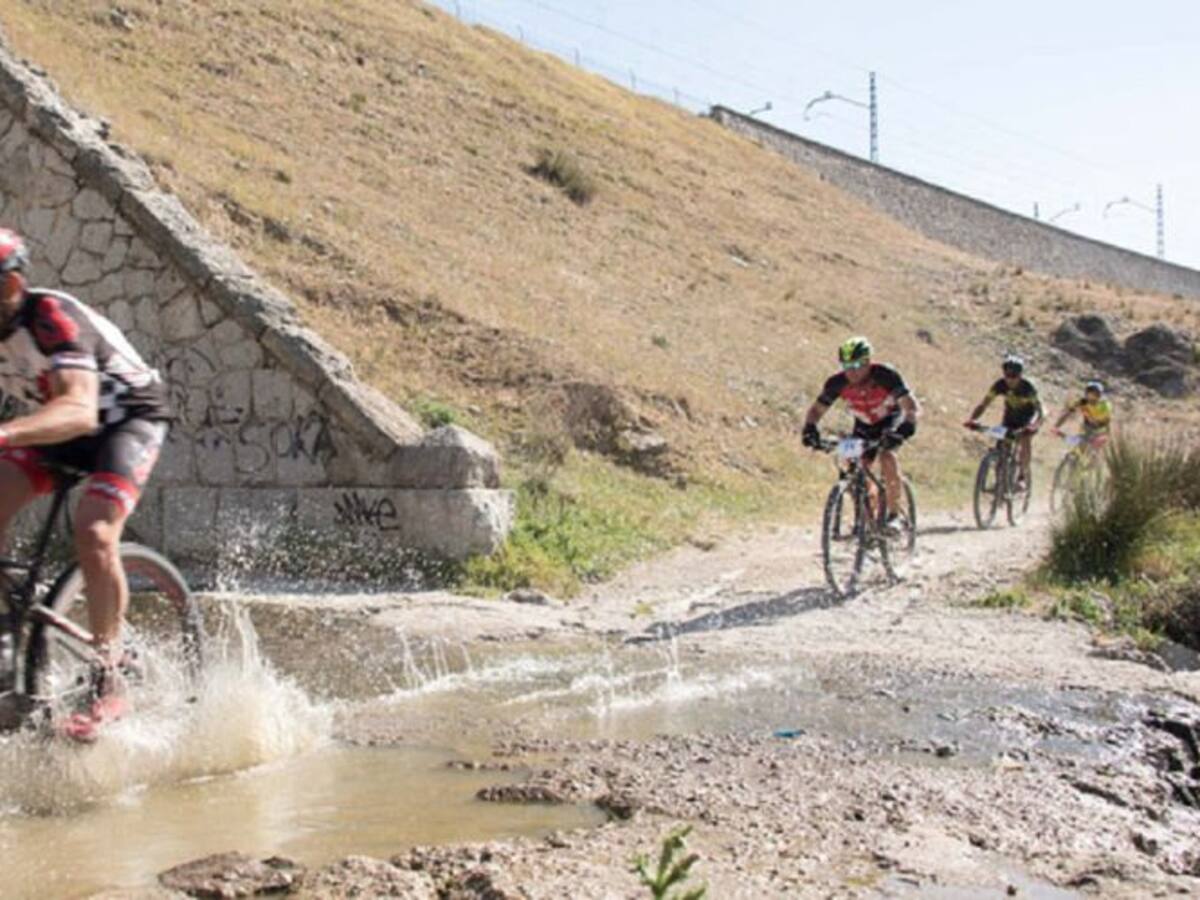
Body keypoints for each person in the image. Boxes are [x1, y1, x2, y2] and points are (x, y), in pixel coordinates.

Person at [0, 228, 170, 741]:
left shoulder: (50, 316)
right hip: (58, 427)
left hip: (124, 419)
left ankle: (110, 673)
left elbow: (77, 409)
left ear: (11, 285)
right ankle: (11, 629)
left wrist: (6, 433)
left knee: (94, 531)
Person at [801, 336, 920, 532]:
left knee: (886, 455)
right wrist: (810, 428)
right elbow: (816, 410)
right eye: (846, 365)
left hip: (890, 420)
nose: (852, 371)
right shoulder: (837, 383)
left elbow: (910, 406)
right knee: (852, 466)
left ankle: (894, 516)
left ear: (868, 362)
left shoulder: (885, 376)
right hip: (864, 424)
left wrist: (907, 426)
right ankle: (867, 518)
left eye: (857, 365)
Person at [964, 353, 1044, 489]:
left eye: (1014, 376)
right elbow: (984, 404)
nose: (1010, 379)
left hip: (1028, 419)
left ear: (1020, 375)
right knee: (1001, 447)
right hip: (1010, 419)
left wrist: (1033, 425)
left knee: (1025, 440)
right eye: (1007, 375)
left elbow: (1039, 411)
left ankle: (1022, 477)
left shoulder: (1028, 388)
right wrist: (973, 419)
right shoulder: (1000, 385)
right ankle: (999, 484)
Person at [1052, 380, 1112, 456]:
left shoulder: (1104, 405)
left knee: (1091, 452)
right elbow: (1068, 413)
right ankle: (1077, 454)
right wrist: (1056, 426)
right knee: (1081, 446)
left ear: (1099, 395)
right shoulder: (1083, 402)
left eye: (1095, 394)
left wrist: (1105, 435)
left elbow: (1107, 422)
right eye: (1089, 392)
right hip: (1087, 427)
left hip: (1099, 430)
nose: (1091, 396)